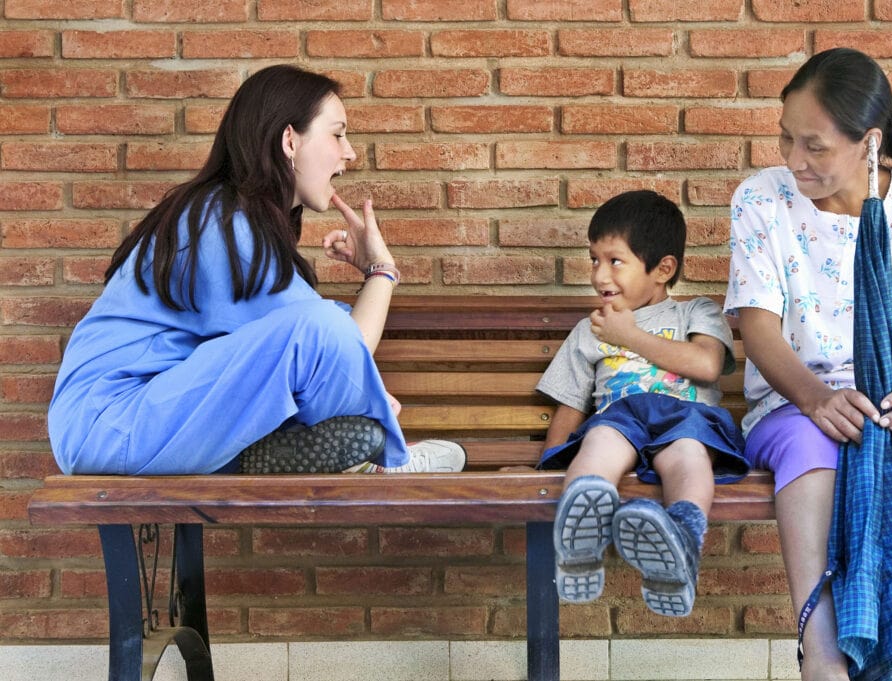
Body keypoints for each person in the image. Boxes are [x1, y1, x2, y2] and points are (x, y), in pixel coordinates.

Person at [48, 64, 465, 476]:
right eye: (337, 134)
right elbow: (336, 345)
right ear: (289, 140)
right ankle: (379, 457)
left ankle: (328, 449)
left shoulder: (229, 216)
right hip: (113, 422)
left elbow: (325, 352)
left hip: (147, 418)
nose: (349, 152)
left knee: (322, 332)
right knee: (320, 330)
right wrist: (381, 270)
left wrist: (358, 380)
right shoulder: (221, 224)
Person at [724, 48, 892, 680]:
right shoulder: (761, 201)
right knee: (814, 456)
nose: (794, 160)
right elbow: (757, 327)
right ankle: (821, 657)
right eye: (786, 139)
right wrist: (817, 399)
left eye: (814, 146)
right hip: (795, 403)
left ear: (869, 142)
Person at [536, 190, 748, 617]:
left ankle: (683, 539)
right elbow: (571, 407)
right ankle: (581, 542)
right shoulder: (587, 329)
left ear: (662, 269)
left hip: (687, 419)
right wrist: (543, 468)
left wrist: (627, 336)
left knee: (688, 454)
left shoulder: (696, 313)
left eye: (615, 260)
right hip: (620, 418)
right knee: (598, 441)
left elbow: (707, 365)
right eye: (594, 259)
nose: (599, 275)